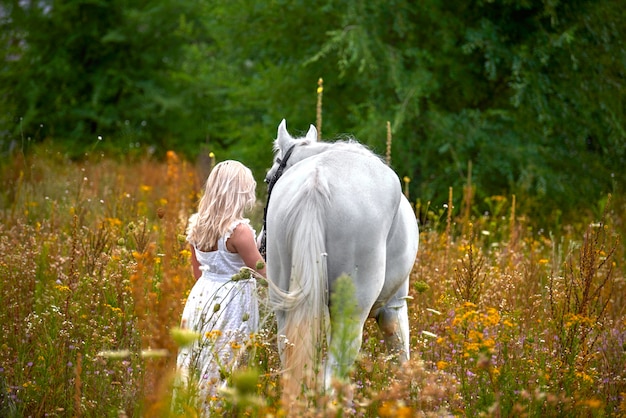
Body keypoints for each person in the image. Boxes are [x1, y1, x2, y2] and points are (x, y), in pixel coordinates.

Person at [176, 160, 266, 411]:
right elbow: (262, 273)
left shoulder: (196, 225)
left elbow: (197, 273)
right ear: (238, 191)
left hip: (202, 297)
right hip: (233, 302)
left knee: (199, 360)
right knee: (229, 361)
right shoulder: (240, 231)